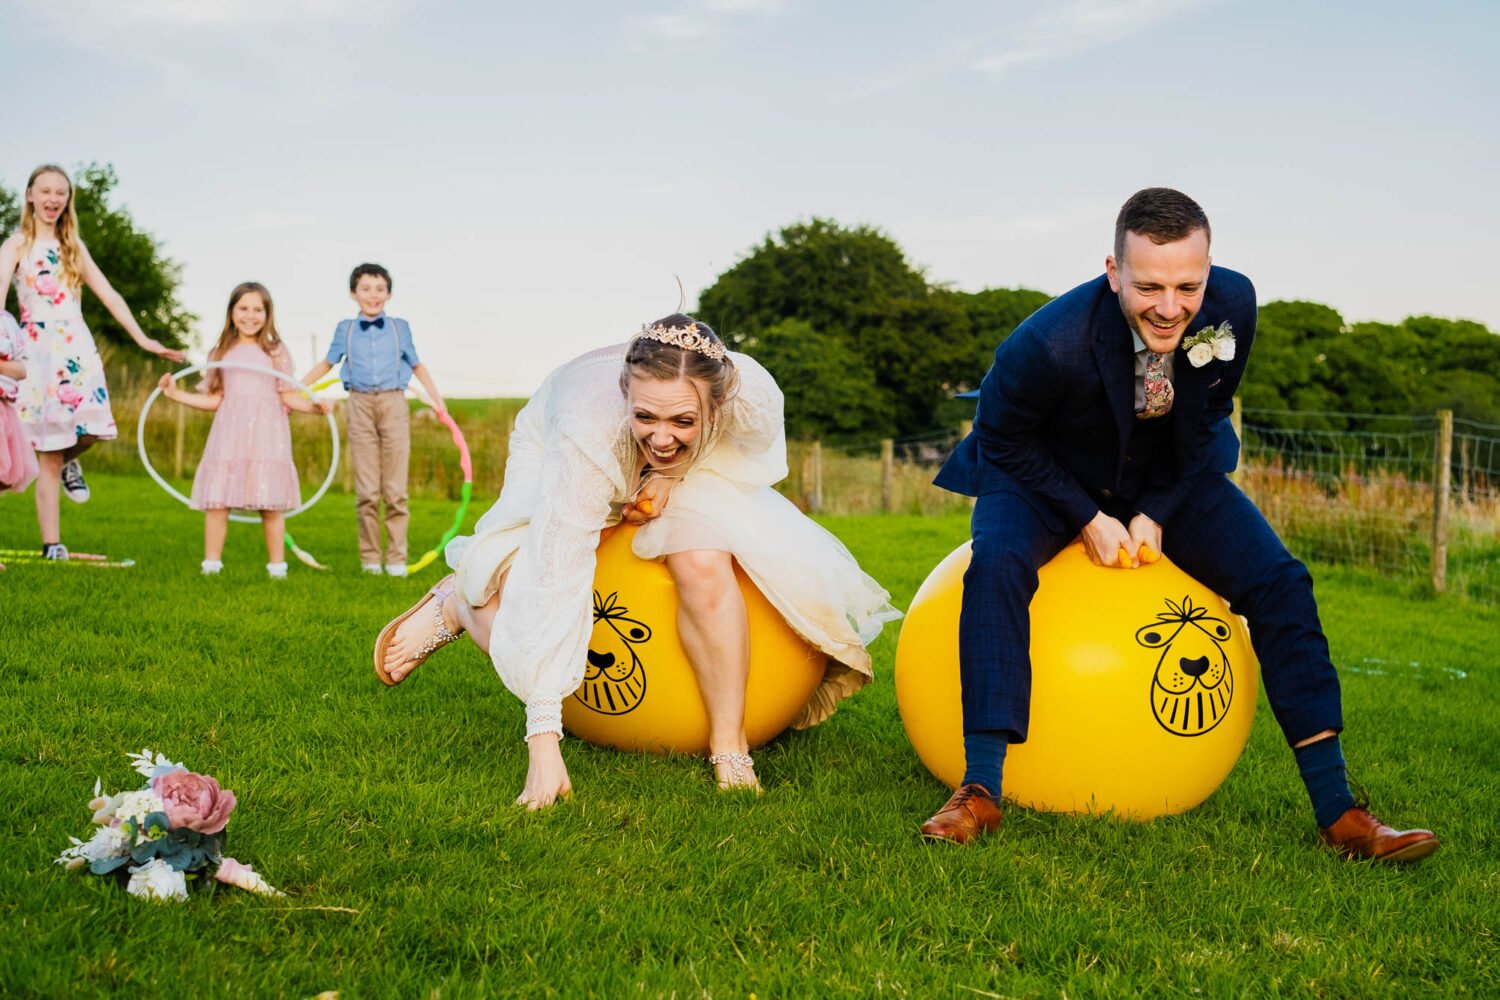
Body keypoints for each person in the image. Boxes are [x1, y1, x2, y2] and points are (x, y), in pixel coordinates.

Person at [922, 188, 1438, 862]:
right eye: (1150, 286)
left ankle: (1339, 813)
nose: (1170, 306)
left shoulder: (1232, 307)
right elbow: (1002, 438)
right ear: (1114, 272)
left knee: (1282, 582)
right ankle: (980, 791)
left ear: (1209, 269)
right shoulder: (1047, 343)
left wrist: (1154, 512)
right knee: (995, 567)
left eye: (1187, 285)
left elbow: (1204, 422)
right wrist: (1088, 516)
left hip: (1167, 476)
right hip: (1042, 476)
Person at [374, 314, 899, 808]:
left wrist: (671, 473)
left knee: (703, 558)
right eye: (646, 415)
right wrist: (543, 742)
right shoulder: (587, 433)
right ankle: (458, 605)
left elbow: (748, 452)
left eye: (684, 419)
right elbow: (556, 576)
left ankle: (729, 743)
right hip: (559, 454)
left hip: (684, 464)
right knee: (519, 587)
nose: (663, 435)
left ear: (715, 408)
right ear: (625, 394)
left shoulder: (748, 393)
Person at [0, 164, 185, 559]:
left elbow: (111, 295)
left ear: (68, 200)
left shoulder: (73, 247)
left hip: (76, 348)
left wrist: (143, 339)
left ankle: (70, 463)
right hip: (37, 352)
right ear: (30, 195)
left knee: (94, 430)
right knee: (47, 450)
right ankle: (53, 544)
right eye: (45, 191)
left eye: (61, 193)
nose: (52, 199)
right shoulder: (15, 245)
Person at [156, 282, 331, 578]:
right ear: (232, 312)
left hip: (267, 434)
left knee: (271, 501)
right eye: (243, 308)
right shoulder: (221, 351)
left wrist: (316, 407)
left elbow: (287, 394)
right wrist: (175, 395)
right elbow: (215, 398)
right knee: (218, 500)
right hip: (229, 433)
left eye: (257, 309)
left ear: (267, 314)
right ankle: (211, 565)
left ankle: (277, 567)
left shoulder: (275, 350)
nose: (250, 316)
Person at [300, 263, 445, 577]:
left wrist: (437, 401)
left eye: (379, 289)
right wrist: (296, 388)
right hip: (359, 404)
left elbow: (418, 366)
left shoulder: (400, 327)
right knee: (367, 490)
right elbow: (326, 364)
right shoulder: (345, 329)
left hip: (394, 402)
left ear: (389, 293)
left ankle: (395, 560)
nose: (373, 295)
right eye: (365, 289)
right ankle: (369, 559)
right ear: (354, 293)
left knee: (395, 490)